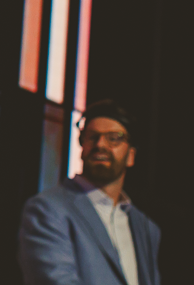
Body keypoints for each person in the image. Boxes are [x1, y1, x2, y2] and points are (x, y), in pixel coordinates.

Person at [18, 100, 162, 285]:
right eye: (92, 136)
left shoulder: (145, 227)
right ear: (82, 147)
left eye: (114, 137)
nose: (100, 144)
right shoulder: (48, 209)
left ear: (131, 155)